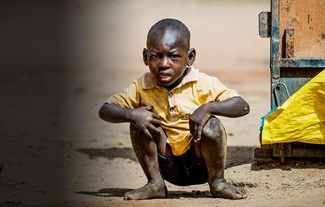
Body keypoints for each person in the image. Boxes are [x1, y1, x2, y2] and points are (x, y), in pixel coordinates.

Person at [98, 18, 250, 200]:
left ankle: (218, 183)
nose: (164, 63)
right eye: (156, 56)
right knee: (139, 122)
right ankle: (155, 184)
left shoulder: (202, 83)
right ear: (146, 57)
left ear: (190, 57)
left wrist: (209, 108)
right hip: (166, 164)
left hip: (200, 163)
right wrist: (131, 114)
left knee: (212, 126)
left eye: (174, 56)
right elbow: (105, 110)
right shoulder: (141, 86)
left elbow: (242, 106)